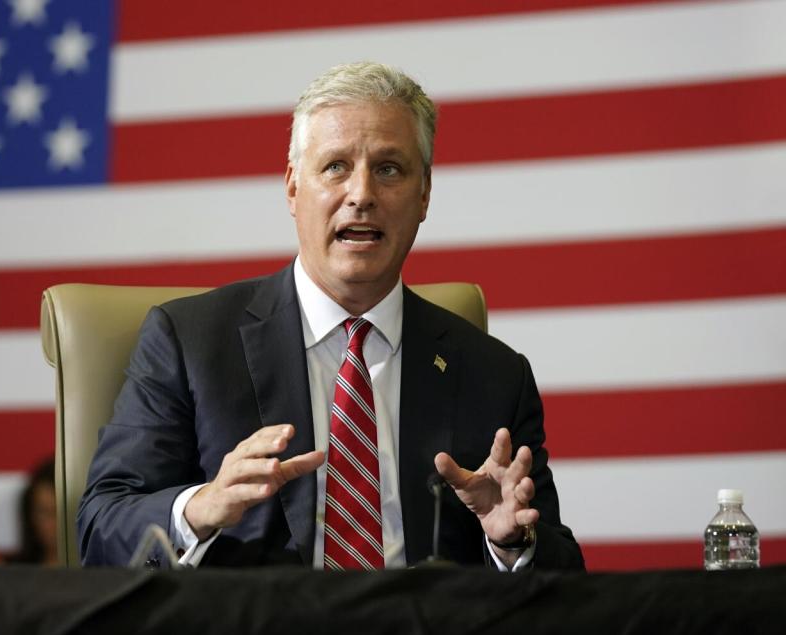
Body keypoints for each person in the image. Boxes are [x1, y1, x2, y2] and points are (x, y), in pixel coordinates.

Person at [78, 62, 584, 571]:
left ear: (424, 195)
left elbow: (565, 577)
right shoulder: (190, 343)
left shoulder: (495, 375)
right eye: (336, 166)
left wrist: (512, 545)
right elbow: (102, 527)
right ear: (293, 189)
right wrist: (202, 507)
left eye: (389, 169)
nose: (361, 195)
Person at [4, 457, 58, 566]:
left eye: (58, 513)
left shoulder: (98, 569)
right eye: (45, 512)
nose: (55, 523)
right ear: (30, 515)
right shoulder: (5, 572)